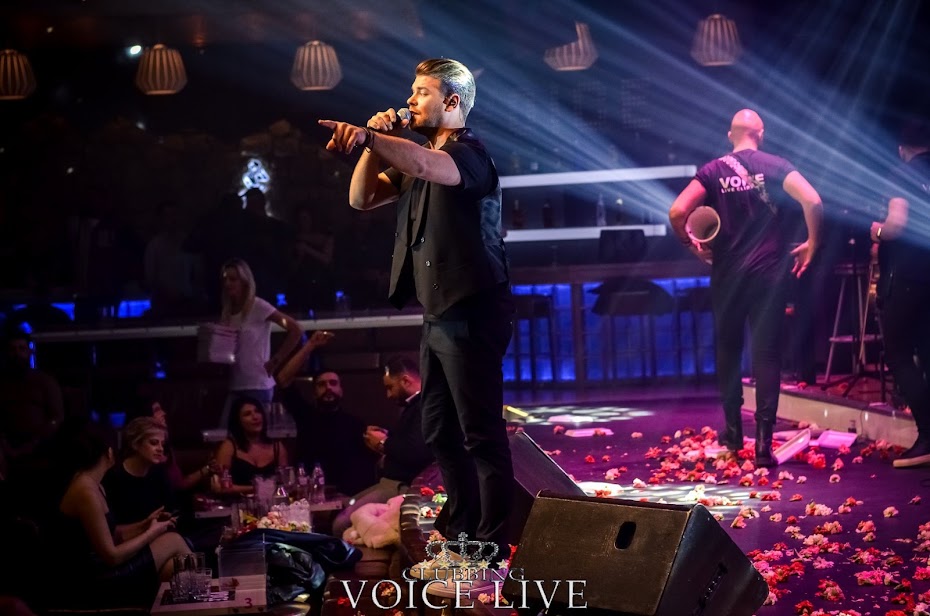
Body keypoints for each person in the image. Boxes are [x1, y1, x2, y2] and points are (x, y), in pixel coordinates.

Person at [319, 58, 515, 562]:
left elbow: (429, 166)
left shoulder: (469, 154)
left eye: (421, 92)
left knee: (480, 434)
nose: (409, 100)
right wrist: (372, 145)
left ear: (451, 102)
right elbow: (361, 197)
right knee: (439, 433)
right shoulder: (415, 159)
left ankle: (490, 546)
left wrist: (372, 137)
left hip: (473, 310)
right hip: (438, 314)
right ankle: (464, 536)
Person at [669, 109, 823, 467]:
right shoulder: (777, 165)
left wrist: (692, 245)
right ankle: (764, 444)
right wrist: (813, 243)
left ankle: (734, 433)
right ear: (761, 134)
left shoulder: (713, 170)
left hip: (729, 275)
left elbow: (677, 212)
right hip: (770, 274)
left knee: (728, 349)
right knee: (766, 354)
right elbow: (813, 200)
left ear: (730, 135)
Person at [55, 424, 190, 607]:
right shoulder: (85, 491)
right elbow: (111, 556)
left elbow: (113, 534)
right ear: (109, 453)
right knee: (173, 540)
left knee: (173, 567)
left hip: (101, 568)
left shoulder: (94, 484)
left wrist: (145, 524)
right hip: (91, 578)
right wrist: (152, 532)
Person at [869, 119, 930, 468]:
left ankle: (927, 435)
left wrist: (877, 231)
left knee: (899, 352)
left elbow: (897, 224)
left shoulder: (903, 174)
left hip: (908, 277)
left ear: (902, 149)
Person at [332, 355, 434, 538]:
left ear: (405, 381)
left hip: (401, 486)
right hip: (390, 482)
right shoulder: (416, 406)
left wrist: (383, 442)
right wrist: (387, 436)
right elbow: (410, 441)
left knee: (341, 524)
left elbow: (417, 451)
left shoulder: (425, 405)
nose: (388, 395)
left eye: (390, 387)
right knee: (344, 506)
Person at [218, 258, 301, 427]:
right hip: (235, 383)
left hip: (257, 385)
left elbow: (295, 329)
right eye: (225, 279)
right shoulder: (227, 311)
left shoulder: (258, 306)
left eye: (233, 279)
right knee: (227, 432)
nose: (228, 284)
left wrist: (276, 360)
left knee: (257, 434)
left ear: (244, 281)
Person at [290, 370, 379, 496]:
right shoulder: (305, 418)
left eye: (333, 383)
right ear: (314, 393)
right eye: (322, 384)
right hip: (312, 494)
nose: (328, 388)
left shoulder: (355, 424)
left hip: (348, 495)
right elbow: (283, 382)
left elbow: (366, 466)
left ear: (341, 391)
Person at [0, 327, 64, 467]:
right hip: (6, 446)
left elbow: (56, 418)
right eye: (12, 349)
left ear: (29, 352)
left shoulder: (45, 381)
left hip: (40, 445)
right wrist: (5, 445)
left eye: (22, 349)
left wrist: (35, 443)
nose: (17, 353)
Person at [102, 417, 175, 526]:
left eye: (162, 444)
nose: (160, 449)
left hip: (158, 532)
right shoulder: (113, 477)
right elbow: (112, 528)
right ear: (135, 444)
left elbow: (170, 509)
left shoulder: (159, 473)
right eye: (154, 443)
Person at [212, 397, 288, 494]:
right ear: (238, 421)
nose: (255, 417)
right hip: (236, 502)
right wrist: (258, 489)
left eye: (257, 411)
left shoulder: (277, 447)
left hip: (273, 502)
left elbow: (286, 483)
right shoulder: (229, 447)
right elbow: (220, 487)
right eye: (247, 414)